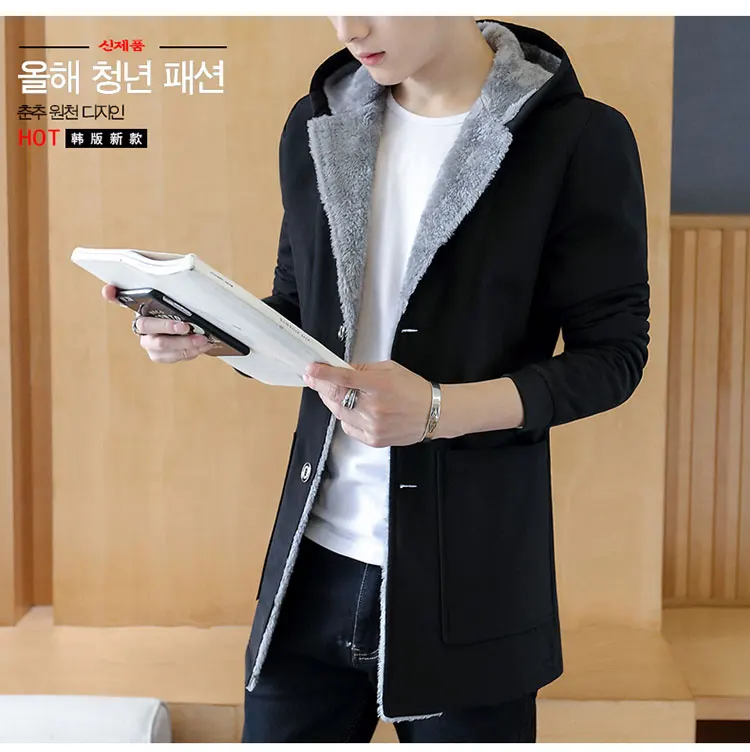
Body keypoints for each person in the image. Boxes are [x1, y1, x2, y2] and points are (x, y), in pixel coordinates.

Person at [103, 16, 650, 743]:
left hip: (469, 584)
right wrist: (208, 329)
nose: (350, 25)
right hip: (310, 572)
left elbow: (613, 357)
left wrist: (438, 410)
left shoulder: (577, 136)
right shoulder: (320, 121)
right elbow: (302, 310)